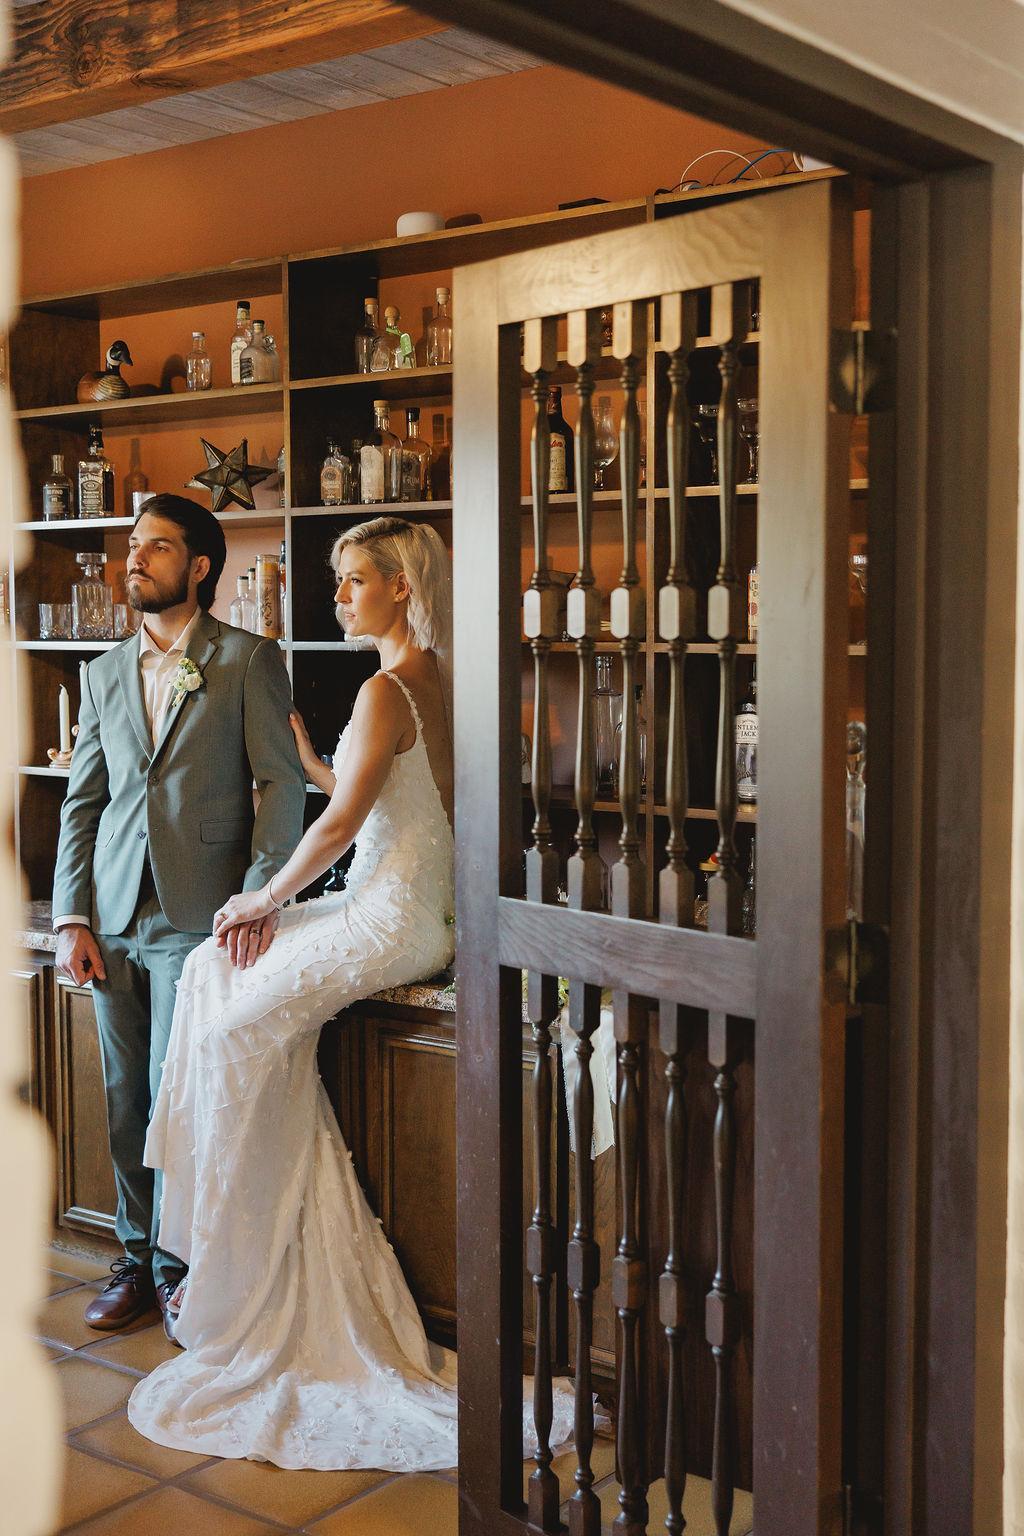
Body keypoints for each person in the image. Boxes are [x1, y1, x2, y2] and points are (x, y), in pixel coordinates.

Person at [127, 516, 573, 1470]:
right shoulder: (435, 678)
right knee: (211, 975)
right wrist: (320, 771)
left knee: (230, 1019)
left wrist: (261, 897)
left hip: (388, 920)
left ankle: (248, 1274)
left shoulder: (383, 688)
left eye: (352, 581)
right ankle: (245, 1248)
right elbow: (395, 802)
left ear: (401, 587)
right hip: (407, 908)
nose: (336, 598)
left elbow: (336, 832)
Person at [52, 495, 306, 1338]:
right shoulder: (101, 672)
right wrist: (71, 917)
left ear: (199, 566)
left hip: (200, 915)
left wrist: (261, 893)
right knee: (125, 1095)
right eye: (132, 544)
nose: (135, 558)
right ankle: (133, 1256)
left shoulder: (248, 658)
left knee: (178, 1096)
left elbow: (281, 784)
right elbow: (82, 803)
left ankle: (179, 1268)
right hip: (111, 913)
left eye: (156, 547)